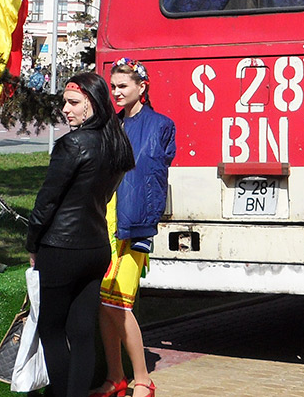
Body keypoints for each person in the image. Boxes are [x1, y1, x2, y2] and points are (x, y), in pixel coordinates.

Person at [27, 72, 135, 397]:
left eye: (74, 103)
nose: (66, 109)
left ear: (94, 104)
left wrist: (33, 242)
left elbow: (47, 200)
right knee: (83, 332)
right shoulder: (117, 142)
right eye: (64, 102)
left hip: (61, 247)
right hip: (97, 247)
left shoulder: (72, 143)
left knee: (52, 329)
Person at [92, 59, 176, 397]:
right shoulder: (110, 124)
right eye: (113, 87)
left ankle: (143, 379)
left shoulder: (160, 125)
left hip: (132, 224)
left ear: (143, 87)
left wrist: (146, 225)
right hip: (104, 219)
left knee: (119, 303)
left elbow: (154, 179)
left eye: (123, 86)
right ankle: (116, 377)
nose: (116, 92)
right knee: (103, 303)